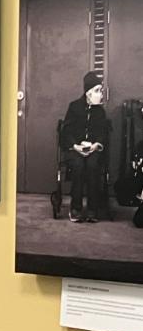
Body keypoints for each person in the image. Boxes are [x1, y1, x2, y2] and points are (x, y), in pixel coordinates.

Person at [61, 71, 111, 223]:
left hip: (93, 150)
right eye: (97, 91)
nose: (100, 94)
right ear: (88, 93)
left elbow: (103, 133)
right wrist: (75, 146)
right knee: (77, 165)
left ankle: (92, 209)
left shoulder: (100, 112)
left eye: (101, 91)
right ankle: (75, 208)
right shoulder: (74, 107)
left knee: (92, 165)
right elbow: (66, 132)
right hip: (75, 149)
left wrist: (96, 145)